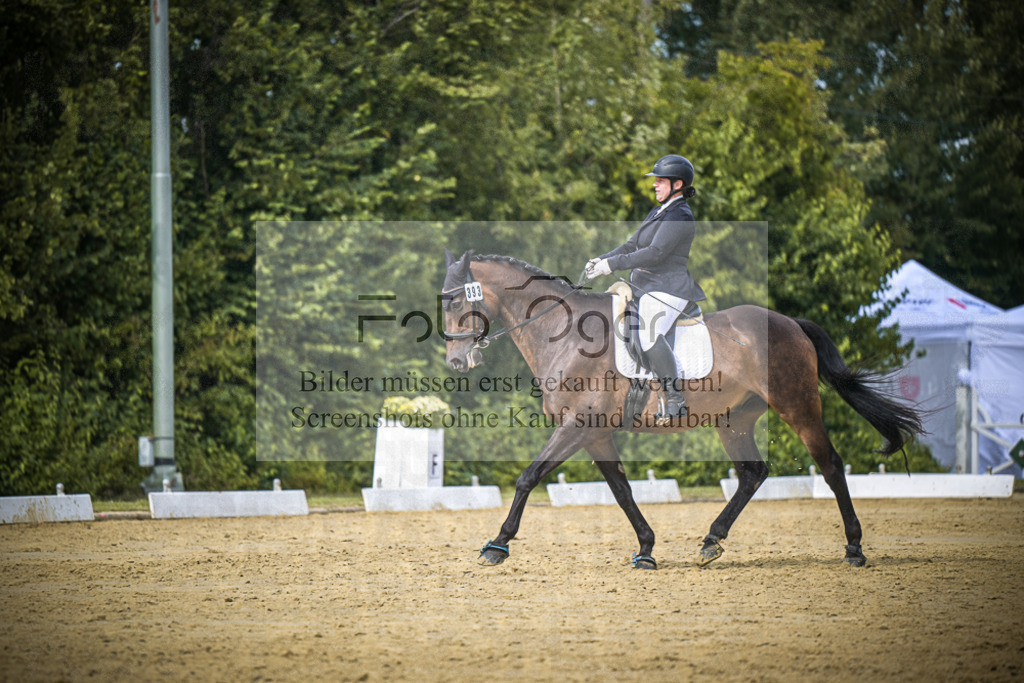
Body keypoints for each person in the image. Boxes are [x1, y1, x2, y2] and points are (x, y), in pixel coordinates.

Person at [585, 154, 706, 422]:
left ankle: (676, 400)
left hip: (668, 289)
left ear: (678, 184)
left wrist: (613, 265)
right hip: (646, 286)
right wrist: (602, 260)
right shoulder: (659, 211)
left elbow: (655, 253)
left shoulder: (680, 215)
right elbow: (631, 246)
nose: (655, 185)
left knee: (650, 333)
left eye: (660, 181)